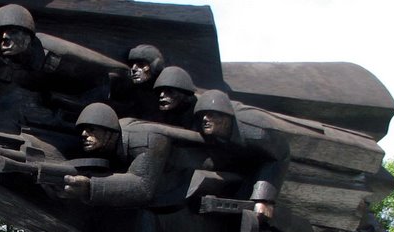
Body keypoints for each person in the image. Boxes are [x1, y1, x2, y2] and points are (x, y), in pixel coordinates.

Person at [193, 89, 289, 219]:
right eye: (203, 114)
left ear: (226, 118)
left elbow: (281, 154)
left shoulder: (257, 132)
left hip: (258, 164)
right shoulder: (201, 121)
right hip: (229, 156)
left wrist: (264, 199)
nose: (205, 118)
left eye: (212, 114)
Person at [62, 103, 170, 206]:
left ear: (109, 132)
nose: (84, 134)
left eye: (92, 129)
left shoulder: (146, 141)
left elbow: (143, 187)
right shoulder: (111, 136)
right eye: (83, 130)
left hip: (174, 187)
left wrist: (90, 186)